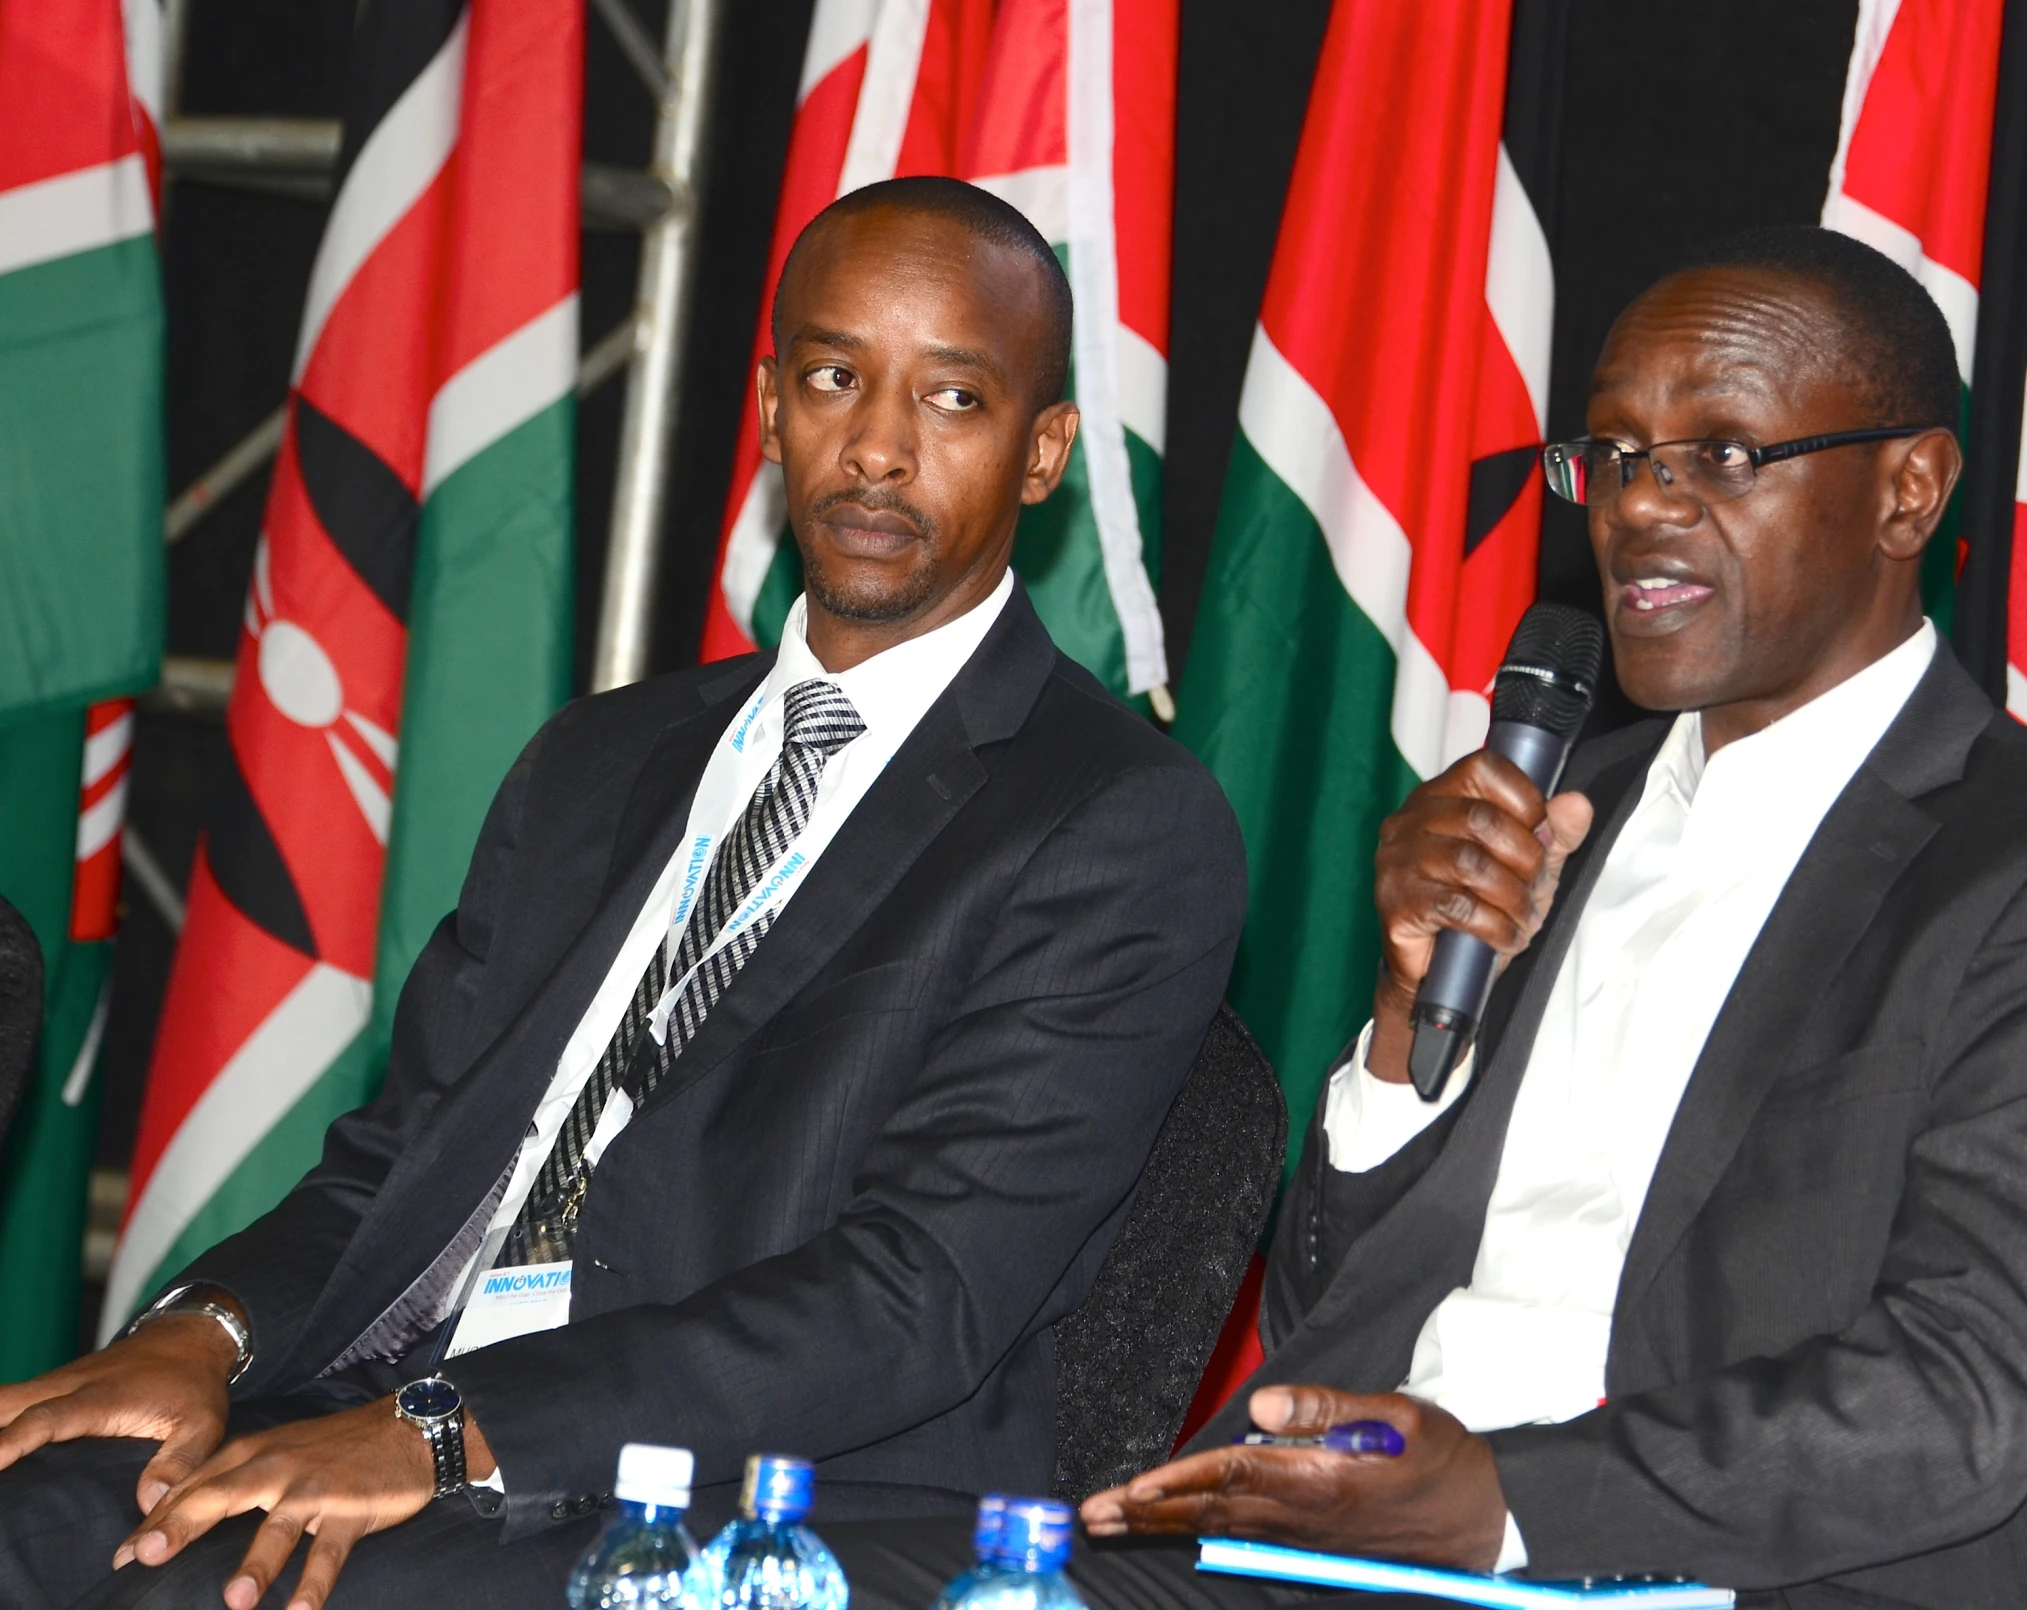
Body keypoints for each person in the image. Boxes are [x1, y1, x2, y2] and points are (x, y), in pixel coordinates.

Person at [822, 226, 2027, 1610]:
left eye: (1722, 454)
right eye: (1611, 455)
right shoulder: (1545, 809)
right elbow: (1324, 1313)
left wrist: (1503, 1499)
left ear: (1908, 491)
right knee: (764, 1584)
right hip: (1335, 1547)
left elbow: (1972, 1392)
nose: (1639, 507)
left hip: (1698, 1580)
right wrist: (1397, 1020)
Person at [0, 177, 1246, 1610]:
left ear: (1043, 453)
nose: (882, 451)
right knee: (30, 1516)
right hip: (395, 1399)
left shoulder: (1116, 817)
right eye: (837, 378)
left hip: (740, 1494)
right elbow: (396, 1162)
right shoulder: (603, 759)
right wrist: (207, 1332)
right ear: (771, 403)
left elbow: (918, 1295)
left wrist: (452, 1429)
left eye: (953, 402)